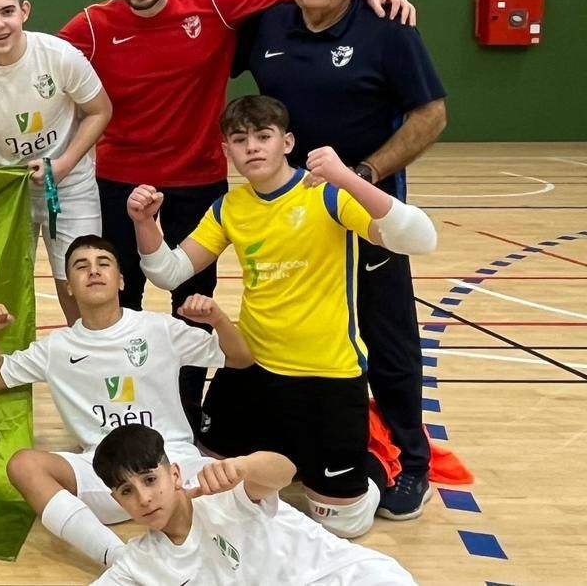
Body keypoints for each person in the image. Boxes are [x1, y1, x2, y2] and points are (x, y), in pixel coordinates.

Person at [0, 0, 414, 431]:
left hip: (198, 187)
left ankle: (186, 417)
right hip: (119, 186)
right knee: (115, 302)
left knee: (190, 307)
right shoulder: (90, 25)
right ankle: (114, 419)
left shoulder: (212, 1)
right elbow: (29, 57)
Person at [132, 95, 439, 537]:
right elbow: (170, 271)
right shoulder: (230, 207)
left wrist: (344, 177)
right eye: (240, 140)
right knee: (214, 491)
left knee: (343, 525)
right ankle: (289, 457)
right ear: (226, 151)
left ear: (287, 142)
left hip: (327, 374)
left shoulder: (329, 195)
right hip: (253, 369)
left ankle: (370, 462)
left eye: (263, 136)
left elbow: (421, 239)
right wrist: (146, 224)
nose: (252, 147)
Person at [237, 0, 448, 521]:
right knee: (306, 338)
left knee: (389, 339)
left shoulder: (387, 27)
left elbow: (431, 113)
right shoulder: (269, 25)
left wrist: (365, 173)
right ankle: (323, 446)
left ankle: (413, 462)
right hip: (291, 219)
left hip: (362, 214)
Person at [0, 235, 252, 569]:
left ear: (121, 280)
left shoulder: (158, 328)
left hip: (173, 465)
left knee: (246, 484)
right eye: (81, 266)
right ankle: (120, 559)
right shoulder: (57, 348)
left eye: (103, 264)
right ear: (68, 288)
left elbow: (239, 358)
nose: (93, 271)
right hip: (106, 477)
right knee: (23, 465)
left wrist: (219, 320)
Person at [0, 0, 112, 323]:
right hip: (8, 194)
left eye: (7, 11)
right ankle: (9, 372)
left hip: (69, 188)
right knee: (3, 290)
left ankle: (86, 370)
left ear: (24, 10)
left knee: (79, 285)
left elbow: (100, 110)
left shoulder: (59, 55)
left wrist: (64, 164)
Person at [90, 425, 419, 585]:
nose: (144, 498)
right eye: (127, 491)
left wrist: (244, 466)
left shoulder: (222, 490)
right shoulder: (138, 562)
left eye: (150, 480)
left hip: (350, 577)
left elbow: (284, 471)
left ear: (174, 474)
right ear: (116, 500)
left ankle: (380, 461)